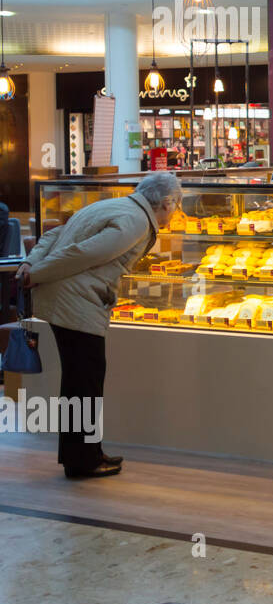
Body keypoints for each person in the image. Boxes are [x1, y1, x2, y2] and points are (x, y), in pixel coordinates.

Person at [16, 172, 182, 479]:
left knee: (80, 380)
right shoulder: (136, 221)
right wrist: (36, 273)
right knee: (85, 381)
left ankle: (86, 453)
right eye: (177, 205)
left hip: (68, 298)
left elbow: (53, 235)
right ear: (167, 202)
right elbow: (83, 254)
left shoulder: (112, 206)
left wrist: (31, 263)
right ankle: (83, 461)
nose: (176, 213)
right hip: (77, 301)